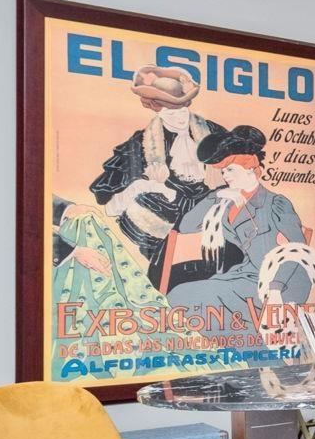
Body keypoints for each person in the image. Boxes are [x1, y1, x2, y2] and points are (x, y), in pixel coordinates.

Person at [88, 65, 223, 288]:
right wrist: (144, 186)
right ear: (156, 108)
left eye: (181, 110)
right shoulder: (142, 142)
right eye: (170, 111)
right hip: (165, 214)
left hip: (209, 207)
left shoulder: (214, 132)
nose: (178, 118)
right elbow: (109, 200)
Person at [167, 125, 315, 322]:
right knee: (178, 295)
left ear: (252, 170)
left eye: (230, 169)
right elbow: (186, 226)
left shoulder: (275, 203)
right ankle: (241, 344)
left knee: (206, 296)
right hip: (246, 276)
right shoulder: (225, 203)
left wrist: (275, 288)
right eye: (223, 171)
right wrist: (216, 195)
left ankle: (250, 344)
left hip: (283, 282)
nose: (225, 176)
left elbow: (298, 250)